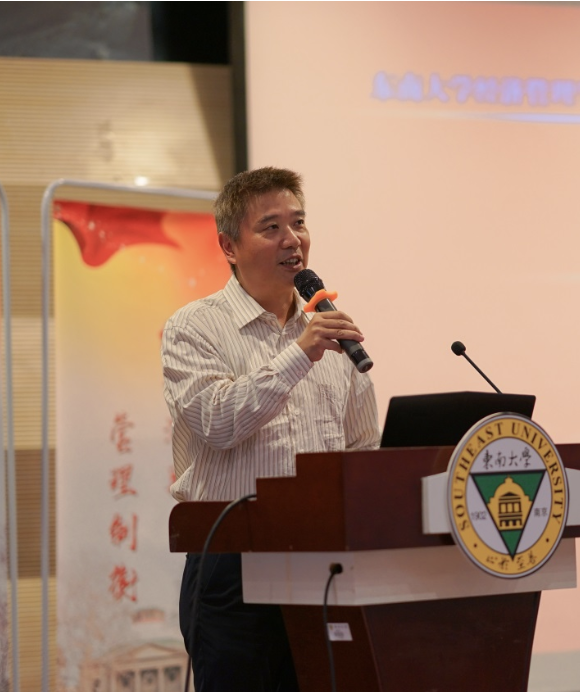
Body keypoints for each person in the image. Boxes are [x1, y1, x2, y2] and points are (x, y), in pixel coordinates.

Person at [161, 167, 380, 691]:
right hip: (232, 568)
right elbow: (218, 422)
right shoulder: (194, 327)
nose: (292, 240)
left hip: (321, 563)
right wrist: (301, 353)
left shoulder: (330, 330)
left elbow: (362, 448)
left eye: (298, 223)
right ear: (229, 246)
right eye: (271, 227)